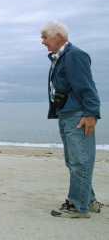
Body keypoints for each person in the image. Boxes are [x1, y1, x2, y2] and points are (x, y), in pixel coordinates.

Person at [40, 21, 101, 218]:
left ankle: (77, 206)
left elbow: (87, 87)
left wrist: (90, 114)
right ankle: (88, 201)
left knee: (79, 161)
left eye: (45, 37)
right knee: (74, 161)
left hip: (78, 115)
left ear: (58, 36)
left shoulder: (74, 55)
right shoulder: (60, 58)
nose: (43, 42)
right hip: (67, 114)